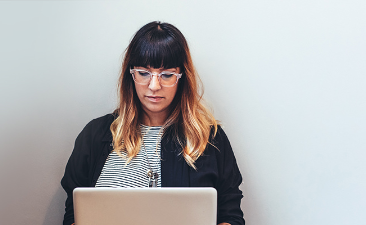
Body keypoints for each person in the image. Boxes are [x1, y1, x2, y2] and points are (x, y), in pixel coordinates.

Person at [61, 21, 245, 225]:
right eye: (143, 73)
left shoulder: (210, 138)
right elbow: (74, 214)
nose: (154, 86)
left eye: (167, 75)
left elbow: (231, 216)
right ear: (130, 75)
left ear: (182, 77)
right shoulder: (95, 135)